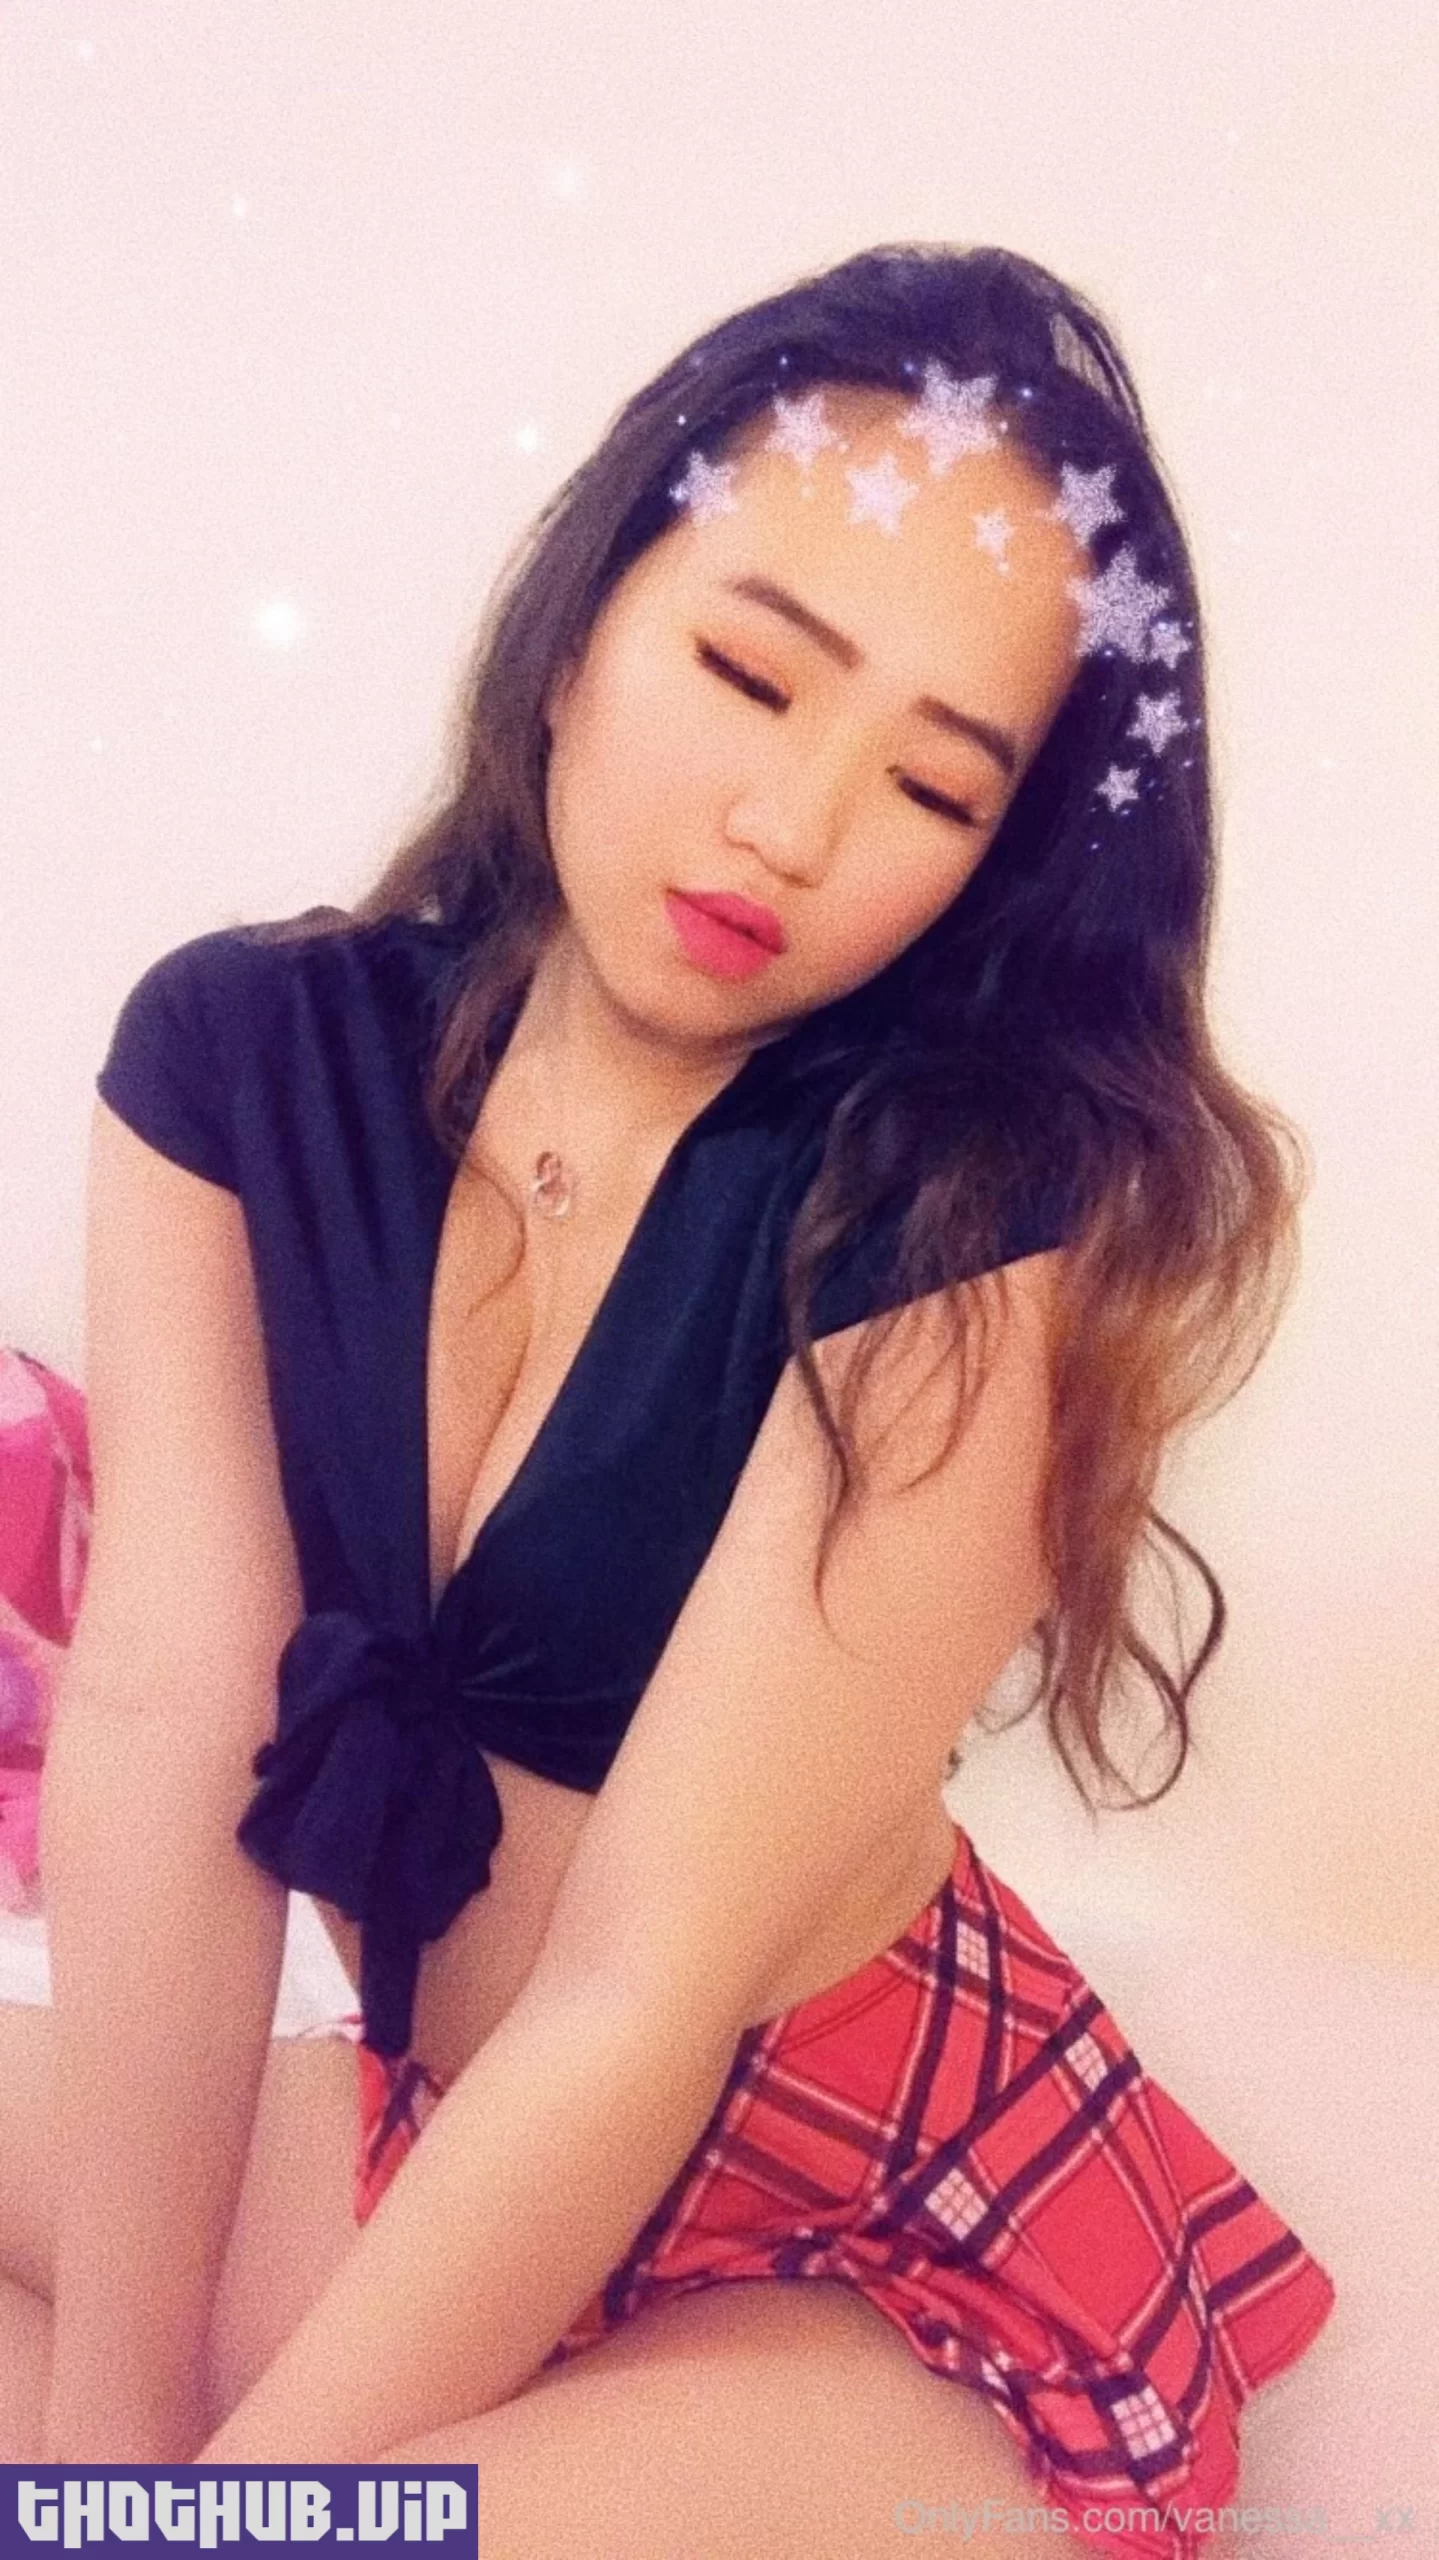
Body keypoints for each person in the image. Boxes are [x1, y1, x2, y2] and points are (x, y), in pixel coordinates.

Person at [2, 242, 1334, 2553]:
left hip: (860, 2226)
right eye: (744, 669)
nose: (788, 826)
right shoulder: (240, 1059)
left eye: (929, 784)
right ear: (580, 622)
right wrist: (116, 2453)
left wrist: (210, 2519)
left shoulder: (965, 1225)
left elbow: (639, 1986)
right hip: (452, 2134)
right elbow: (160, 1714)